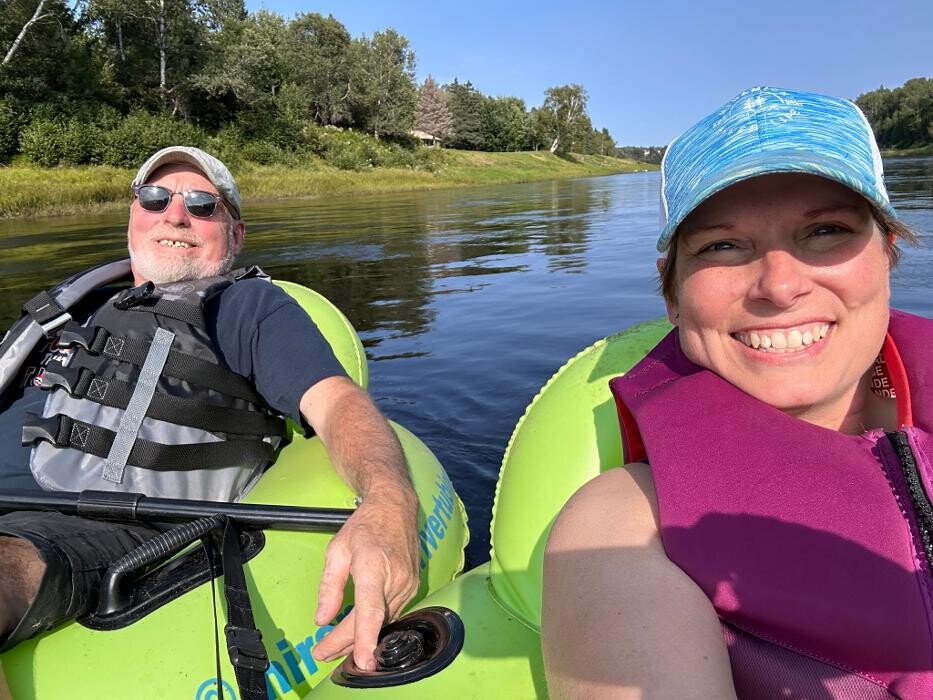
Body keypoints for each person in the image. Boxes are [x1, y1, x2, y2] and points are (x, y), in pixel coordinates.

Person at [542, 86, 932, 698]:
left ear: (888, 255)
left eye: (826, 230)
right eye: (723, 245)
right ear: (672, 297)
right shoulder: (627, 528)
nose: (778, 287)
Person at [0, 146, 419, 673]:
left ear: (235, 234)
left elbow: (337, 402)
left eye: (202, 204)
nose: (175, 214)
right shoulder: (69, 307)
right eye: (155, 198)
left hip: (99, 528)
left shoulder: (249, 309)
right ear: (134, 214)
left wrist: (389, 501)